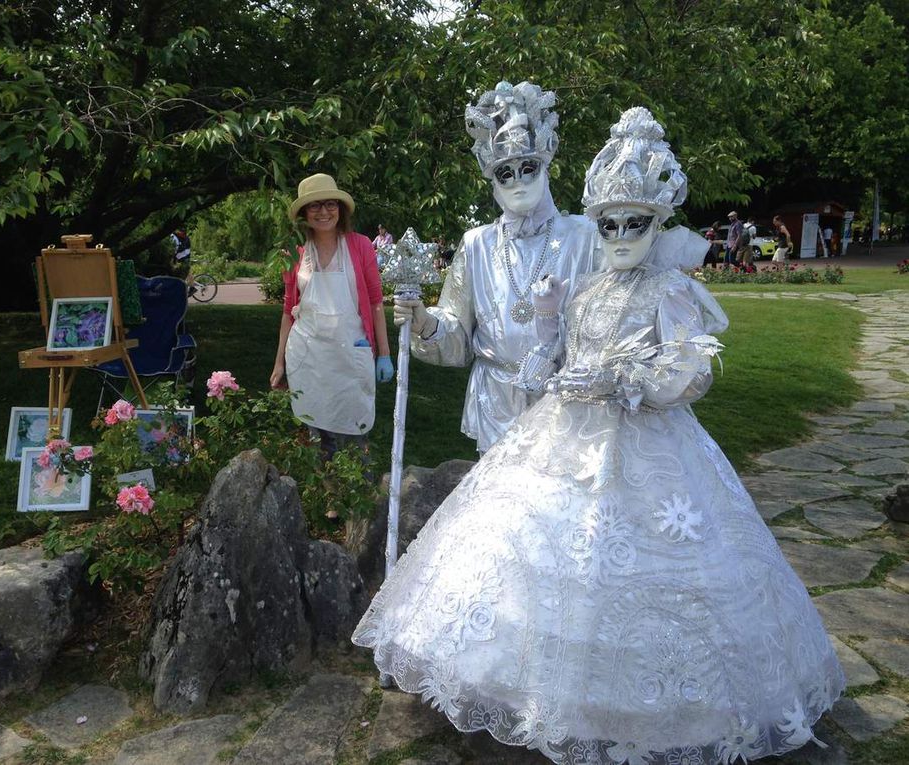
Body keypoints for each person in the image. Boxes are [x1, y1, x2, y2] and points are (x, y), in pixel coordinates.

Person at [353, 107, 843, 764]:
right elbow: (529, 351)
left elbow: (690, 367)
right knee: (526, 553)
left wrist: (626, 377)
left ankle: (631, 706)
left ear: (655, 222)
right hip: (552, 430)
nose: (616, 234)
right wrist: (521, 324)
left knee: (631, 573)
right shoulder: (540, 273)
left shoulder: (653, 279)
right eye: (608, 223)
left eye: (631, 223)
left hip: (646, 449)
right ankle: (524, 687)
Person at [393, 80, 598, 453]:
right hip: (495, 400)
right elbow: (459, 335)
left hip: (563, 400)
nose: (517, 180)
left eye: (528, 167)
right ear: (493, 179)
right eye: (506, 172)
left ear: (545, 166)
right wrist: (425, 322)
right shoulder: (477, 244)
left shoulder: (584, 236)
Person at [270, 173, 394, 459]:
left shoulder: (361, 245)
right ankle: (327, 500)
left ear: (340, 209)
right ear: (303, 213)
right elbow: (289, 311)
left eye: (330, 204)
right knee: (318, 436)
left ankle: (357, 495)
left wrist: (384, 354)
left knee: (355, 432)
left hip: (350, 352)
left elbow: (376, 302)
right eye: (314, 206)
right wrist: (279, 363)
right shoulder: (295, 252)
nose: (324, 212)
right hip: (308, 356)